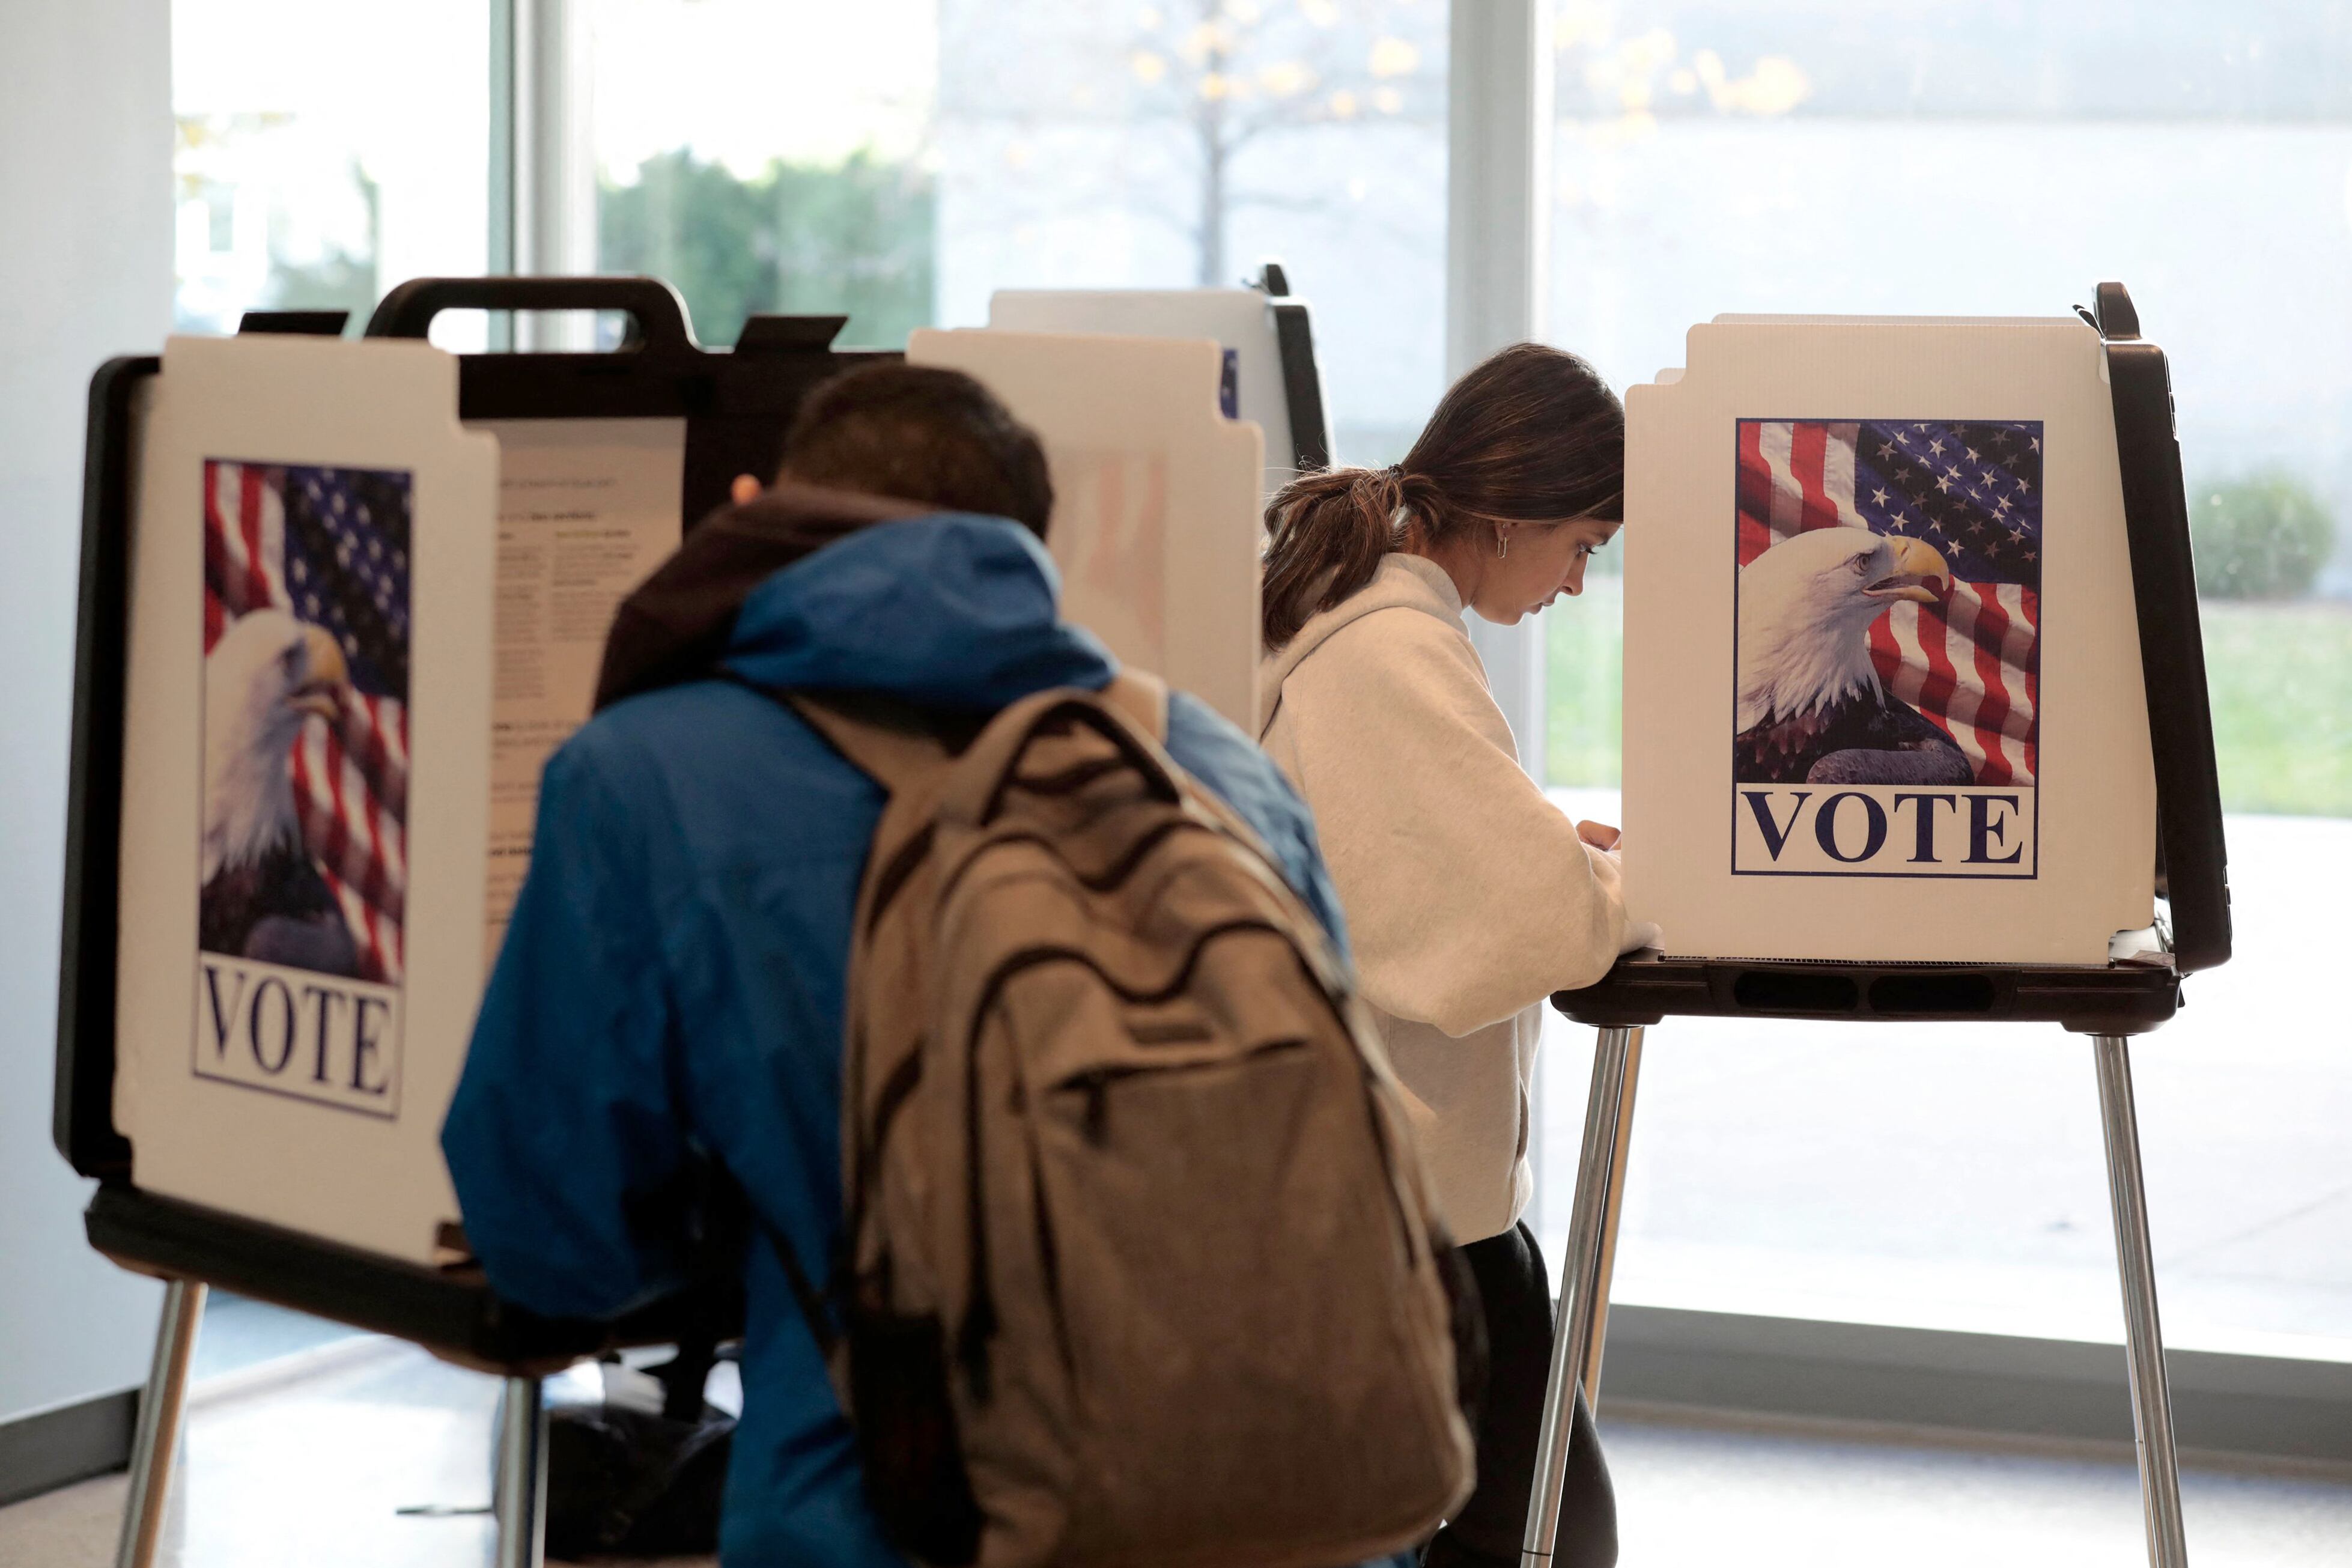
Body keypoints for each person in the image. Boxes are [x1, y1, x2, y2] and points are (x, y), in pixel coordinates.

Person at [441, 363, 1365, 1566]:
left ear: (759, 511)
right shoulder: (1207, 763)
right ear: (1029, 550)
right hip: (1283, 1498)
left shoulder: (645, 773)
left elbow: (552, 1242)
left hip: (900, 1507)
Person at [1256, 343, 1649, 1568]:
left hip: (1392, 1178)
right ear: (1511, 512)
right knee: (1541, 1533)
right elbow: (1515, 920)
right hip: (1392, 1195)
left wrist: (1547, 853)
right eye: (1582, 544)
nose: (1578, 583)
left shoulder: (1363, 603)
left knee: (1538, 1516)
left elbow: (1443, 854)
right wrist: (1633, 883)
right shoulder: (1386, 647)